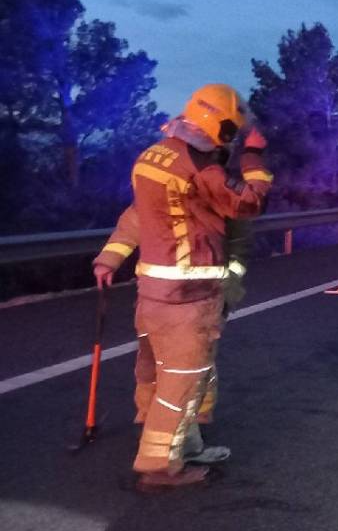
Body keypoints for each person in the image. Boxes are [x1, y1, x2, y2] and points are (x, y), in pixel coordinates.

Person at [92, 84, 271, 491]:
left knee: (167, 375)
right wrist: (255, 158)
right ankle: (159, 466)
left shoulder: (154, 157)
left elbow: (139, 214)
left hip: (153, 294)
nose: (232, 139)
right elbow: (247, 204)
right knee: (181, 383)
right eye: (232, 132)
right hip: (187, 298)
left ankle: (185, 447)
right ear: (221, 127)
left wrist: (110, 257)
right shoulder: (199, 167)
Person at [93, 210, 253, 465]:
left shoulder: (168, 183)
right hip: (186, 305)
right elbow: (237, 246)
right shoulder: (212, 189)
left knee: (161, 371)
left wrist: (108, 260)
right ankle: (170, 454)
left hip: (158, 300)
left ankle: (157, 428)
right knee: (184, 379)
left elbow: (134, 222)